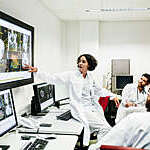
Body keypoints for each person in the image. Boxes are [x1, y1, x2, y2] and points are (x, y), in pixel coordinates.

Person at [24, 54, 119, 146]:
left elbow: (100, 90)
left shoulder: (90, 77)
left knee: (107, 129)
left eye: (83, 61)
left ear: (89, 65)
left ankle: (101, 146)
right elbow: (53, 78)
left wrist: (113, 96)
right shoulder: (72, 75)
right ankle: (97, 148)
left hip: (91, 108)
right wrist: (37, 71)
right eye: (79, 61)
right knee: (105, 129)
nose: (80, 63)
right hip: (81, 109)